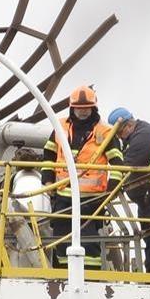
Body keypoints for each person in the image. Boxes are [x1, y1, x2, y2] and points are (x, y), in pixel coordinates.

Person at [41, 85, 125, 267]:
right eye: (79, 108)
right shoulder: (59, 127)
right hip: (63, 197)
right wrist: (47, 181)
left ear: (93, 108)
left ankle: (89, 280)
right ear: (72, 108)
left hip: (91, 200)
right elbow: (48, 155)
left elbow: (118, 165)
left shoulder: (105, 132)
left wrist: (111, 191)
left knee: (89, 244)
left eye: (87, 108)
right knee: (62, 241)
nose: (83, 112)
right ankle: (63, 277)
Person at [106, 107, 150, 273]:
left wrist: (107, 192)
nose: (118, 137)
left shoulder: (142, 139)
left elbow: (124, 170)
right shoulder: (142, 132)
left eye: (119, 133)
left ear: (128, 125)